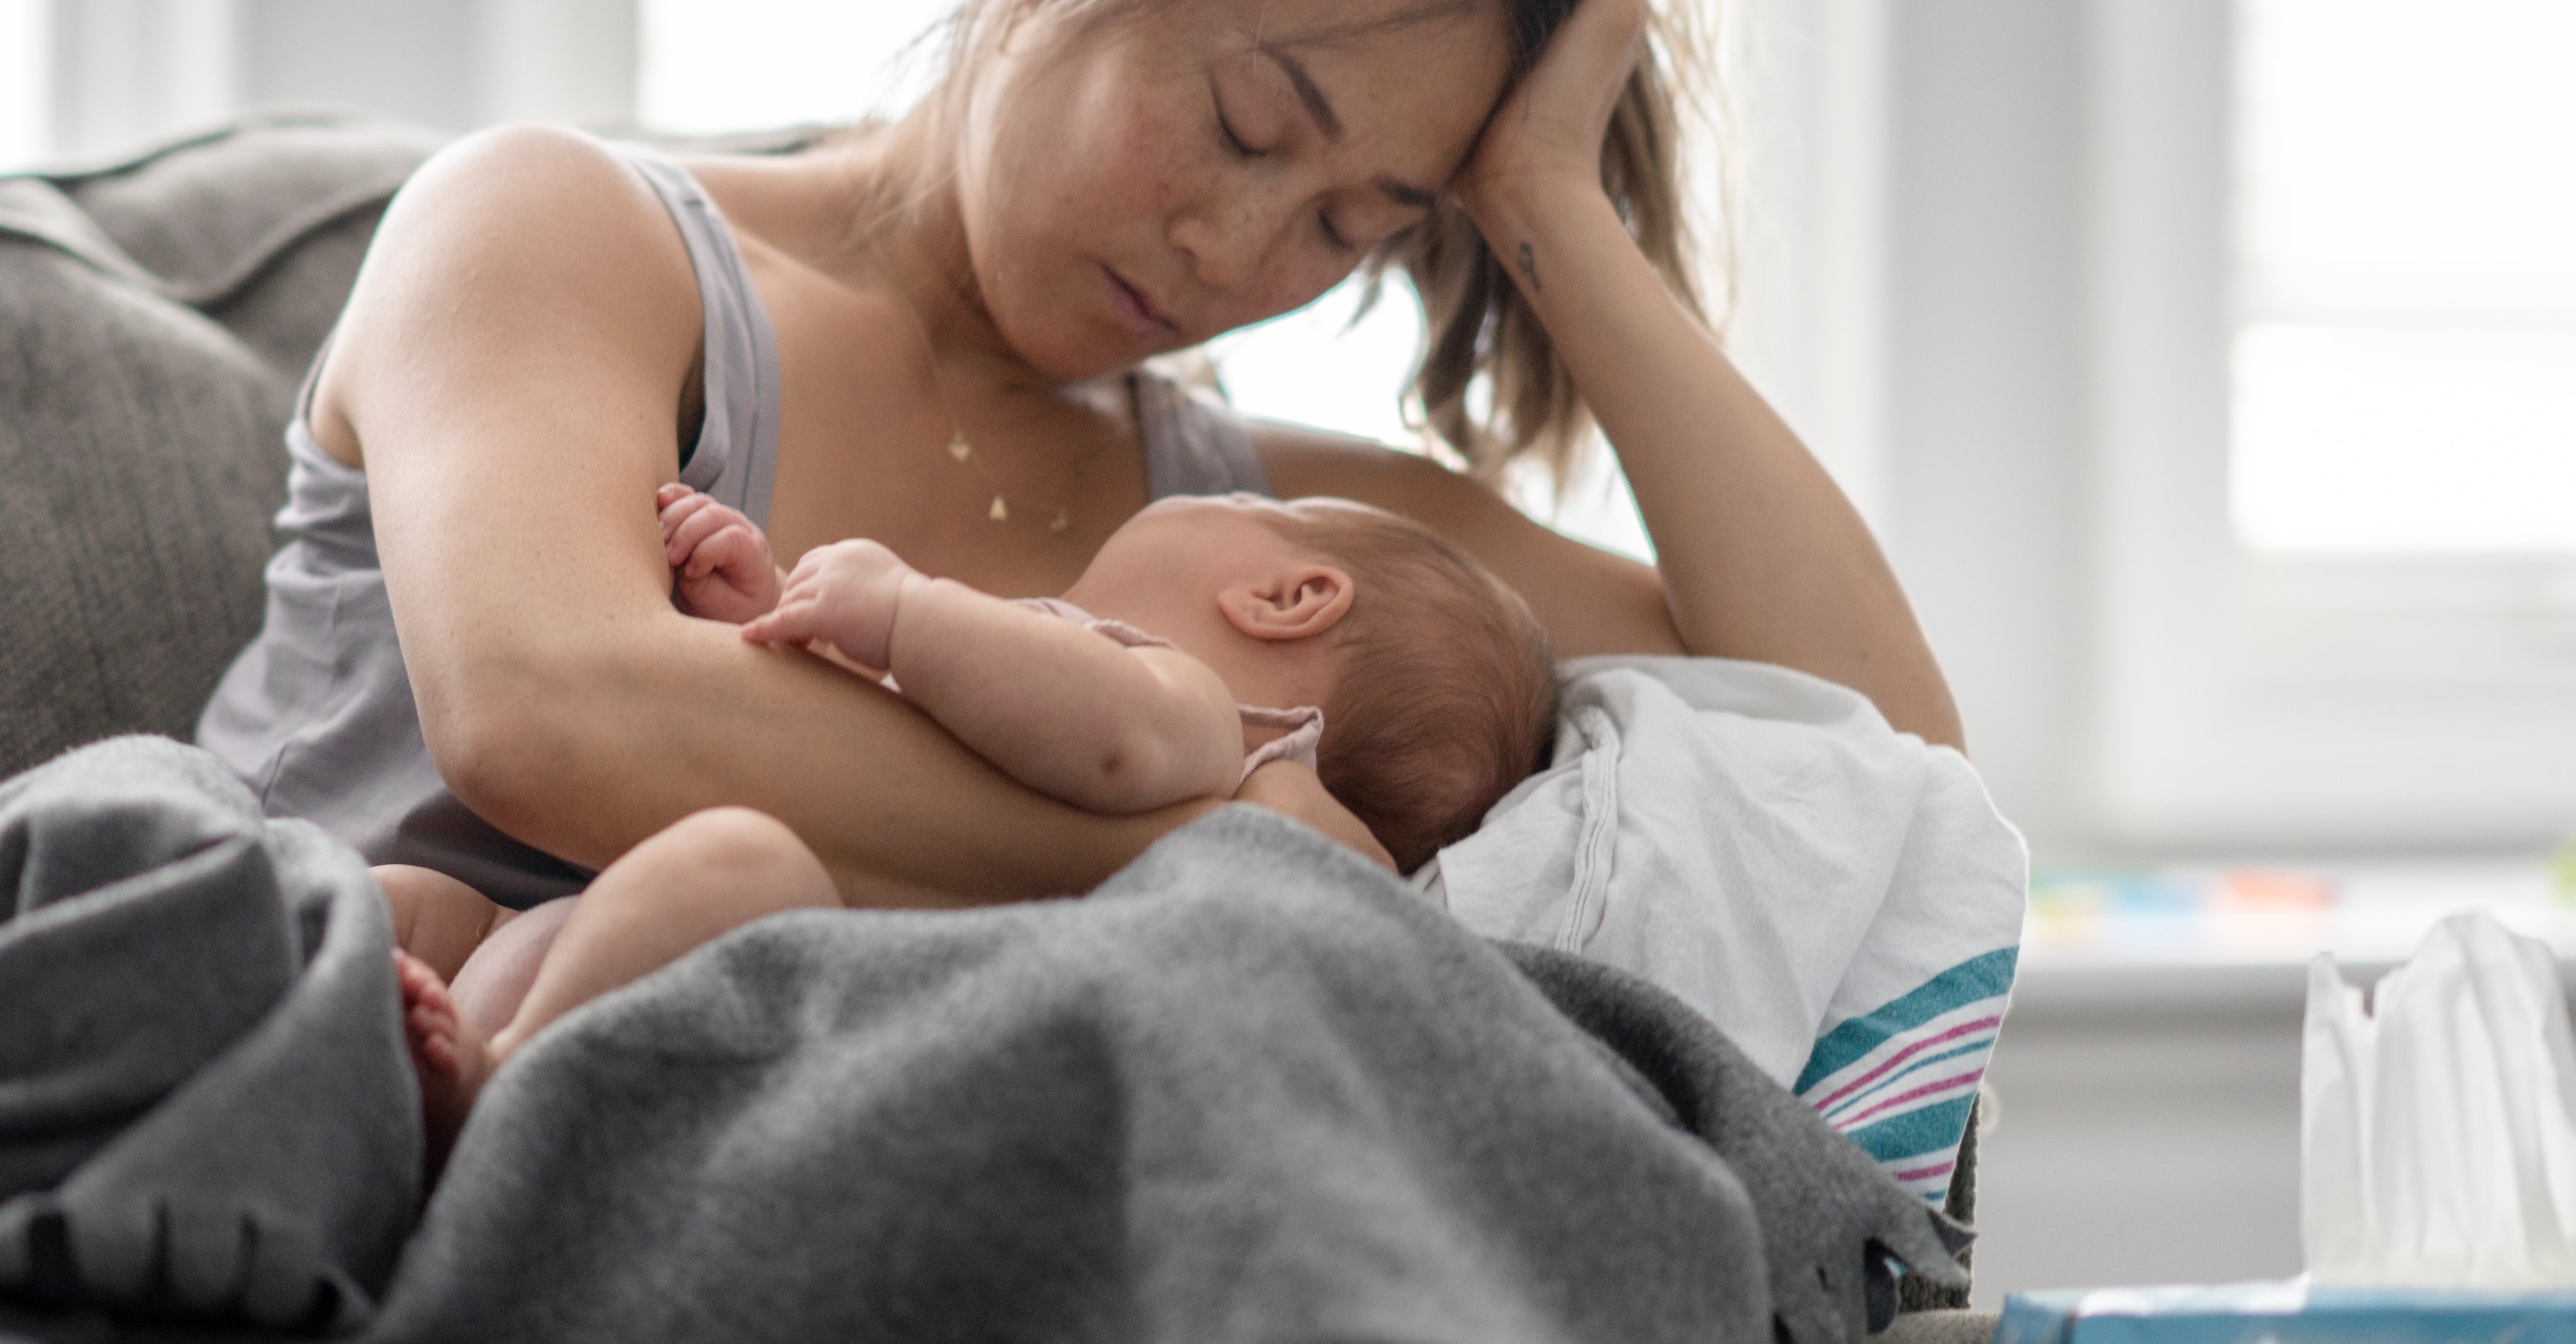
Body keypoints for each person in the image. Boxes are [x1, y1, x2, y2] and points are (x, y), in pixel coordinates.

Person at [199, 0, 1961, 922]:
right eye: (1244, 122)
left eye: (1356, 219)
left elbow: (1879, 763)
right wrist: (1262, 853)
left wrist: (1546, 206)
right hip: (317, 1064)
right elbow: (548, 711)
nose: (1241, 253)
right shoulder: (559, 226)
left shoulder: (1256, 532)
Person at [380, 484, 1556, 1168]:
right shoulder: (1030, 667)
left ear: (1287, 597)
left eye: (1255, 502)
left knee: (743, 856)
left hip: (711, 973)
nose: (1219, 487)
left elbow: (1109, 741)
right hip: (565, 935)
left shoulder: (1203, 716)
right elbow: (867, 743)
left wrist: (902, 610)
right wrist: (766, 612)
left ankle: (500, 1091)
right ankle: (358, 994)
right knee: (412, 902)